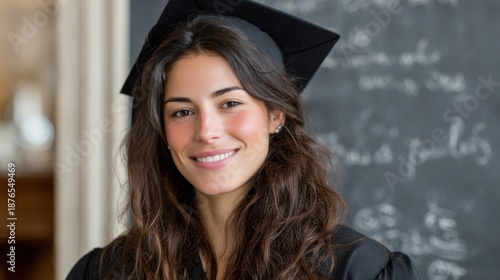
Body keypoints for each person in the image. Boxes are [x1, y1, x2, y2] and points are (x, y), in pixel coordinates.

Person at [67, 0, 420, 279]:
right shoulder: (108, 272)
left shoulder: (354, 269)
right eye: (182, 112)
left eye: (230, 103)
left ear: (275, 115)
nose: (206, 131)